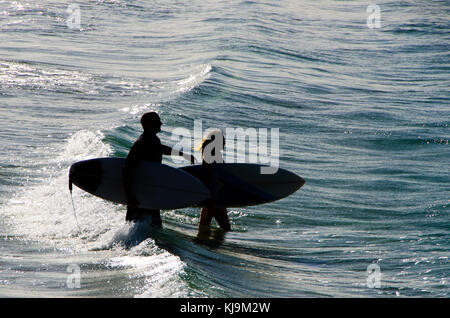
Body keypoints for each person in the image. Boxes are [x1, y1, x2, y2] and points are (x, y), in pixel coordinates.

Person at [124, 111, 195, 228]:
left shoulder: (152, 140)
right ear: (149, 125)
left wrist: (182, 154)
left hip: (150, 193)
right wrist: (130, 197)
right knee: (139, 228)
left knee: (152, 228)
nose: (161, 123)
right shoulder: (140, 144)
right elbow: (127, 170)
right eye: (157, 121)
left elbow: (161, 149)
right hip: (140, 195)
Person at [198, 129, 231, 232]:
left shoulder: (213, 154)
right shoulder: (210, 155)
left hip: (214, 196)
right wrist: (212, 196)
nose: (225, 142)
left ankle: (202, 245)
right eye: (223, 139)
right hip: (213, 197)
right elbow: (209, 176)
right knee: (225, 228)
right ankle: (203, 245)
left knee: (204, 226)